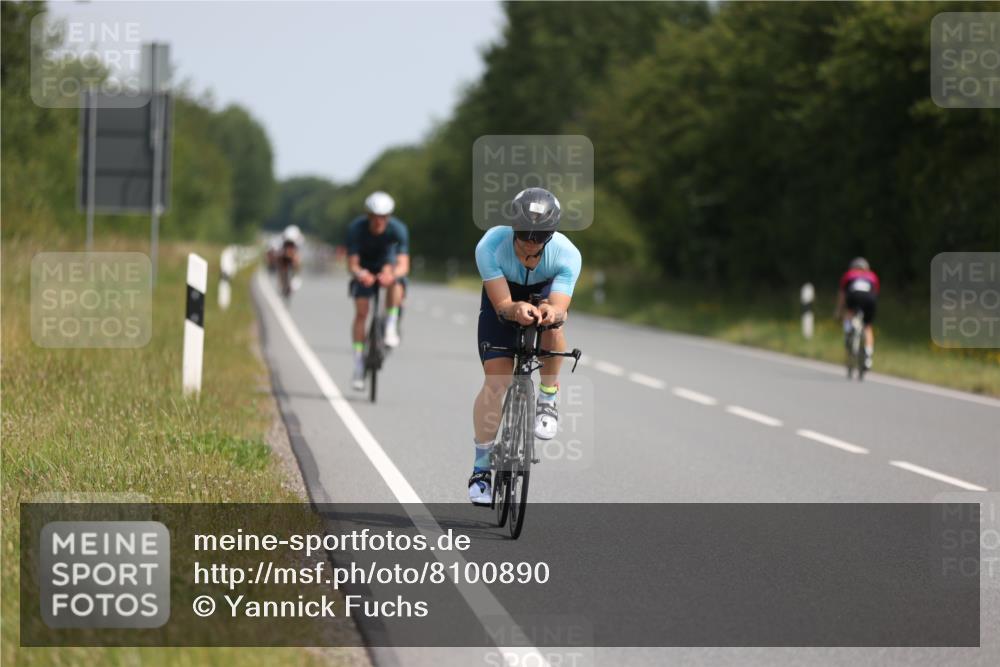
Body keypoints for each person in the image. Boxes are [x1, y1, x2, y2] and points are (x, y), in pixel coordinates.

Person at [468, 187, 582, 505]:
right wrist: (513, 308)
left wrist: (551, 312)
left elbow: (560, 305)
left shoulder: (567, 254)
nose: (531, 243)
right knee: (496, 383)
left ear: (551, 234)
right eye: (524, 236)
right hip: (503, 296)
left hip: (544, 290)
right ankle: (480, 470)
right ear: (513, 229)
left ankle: (547, 399)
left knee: (554, 323)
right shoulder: (490, 245)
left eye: (539, 237)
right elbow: (502, 304)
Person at [346, 191, 410, 390]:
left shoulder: (398, 229)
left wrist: (393, 275)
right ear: (368, 215)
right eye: (375, 216)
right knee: (362, 312)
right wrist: (359, 274)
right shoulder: (356, 229)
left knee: (396, 282)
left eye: (383, 216)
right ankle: (358, 365)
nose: (379, 221)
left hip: (386, 268)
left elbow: (403, 264)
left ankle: (390, 326)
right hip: (365, 270)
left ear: (389, 216)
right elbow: (352, 263)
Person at [836, 257, 880, 369]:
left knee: (849, 313)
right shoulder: (872, 276)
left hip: (854, 296)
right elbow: (875, 293)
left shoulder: (849, 274)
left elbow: (842, 295)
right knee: (867, 326)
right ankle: (868, 356)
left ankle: (848, 333)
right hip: (870, 299)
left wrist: (839, 311)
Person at [278, 225, 302, 298]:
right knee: (282, 267)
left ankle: (293, 276)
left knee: (295, 261)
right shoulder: (285, 239)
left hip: (291, 256)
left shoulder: (296, 240)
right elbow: (282, 251)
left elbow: (297, 252)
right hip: (286, 257)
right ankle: (283, 282)